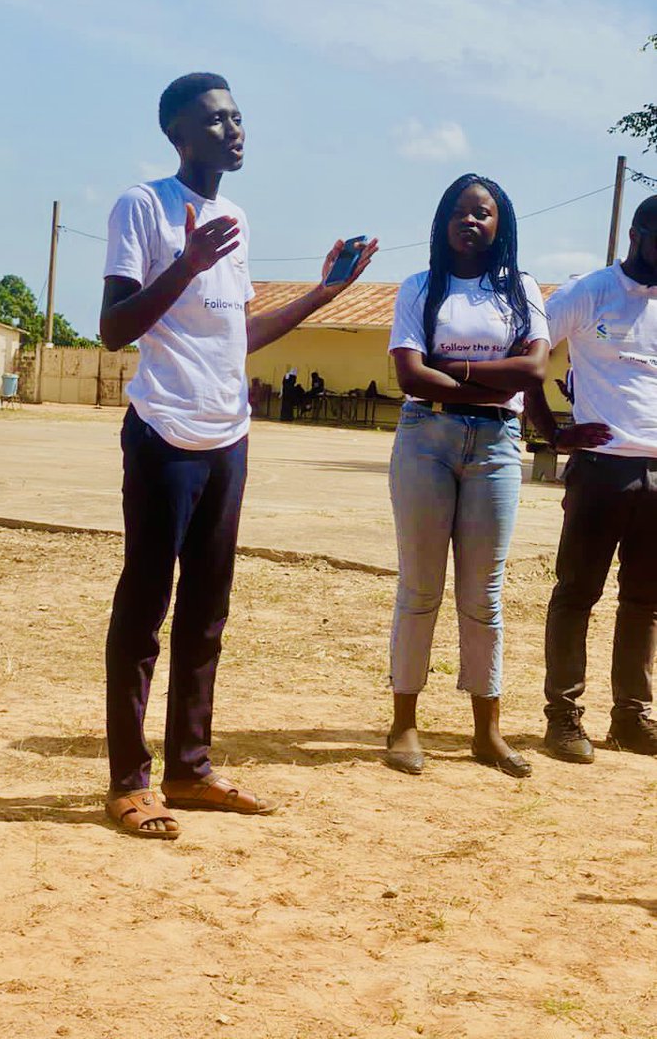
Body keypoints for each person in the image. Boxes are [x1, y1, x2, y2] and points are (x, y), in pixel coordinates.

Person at [100, 72, 377, 837]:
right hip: (164, 434)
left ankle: (190, 770)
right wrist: (183, 264)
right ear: (177, 135)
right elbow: (115, 328)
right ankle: (130, 780)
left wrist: (325, 294)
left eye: (237, 117)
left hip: (228, 439)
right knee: (145, 606)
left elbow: (234, 336)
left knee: (207, 612)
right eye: (214, 120)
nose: (233, 130)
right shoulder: (142, 205)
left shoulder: (236, 217)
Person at [385, 173, 550, 777]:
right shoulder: (420, 286)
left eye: (482, 213)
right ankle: (404, 724)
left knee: (484, 595)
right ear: (443, 222)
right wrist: (485, 377)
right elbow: (409, 374)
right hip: (425, 437)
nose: (470, 221)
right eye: (459, 212)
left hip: (497, 444)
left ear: (500, 223)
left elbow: (534, 367)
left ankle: (488, 731)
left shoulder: (520, 289)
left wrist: (451, 365)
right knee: (420, 588)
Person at [524, 195, 657, 762]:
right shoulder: (590, 292)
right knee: (578, 593)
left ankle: (631, 718)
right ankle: (563, 717)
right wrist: (553, 432)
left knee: (646, 602)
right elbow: (529, 355)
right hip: (601, 471)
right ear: (637, 235)